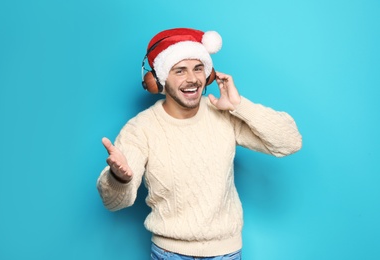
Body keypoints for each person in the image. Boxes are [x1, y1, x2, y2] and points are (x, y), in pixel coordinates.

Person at [96, 28, 302, 259]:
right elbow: (113, 202)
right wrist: (119, 178)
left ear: (209, 75)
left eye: (198, 68)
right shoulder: (140, 129)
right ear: (160, 80)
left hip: (227, 253)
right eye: (180, 71)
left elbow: (290, 142)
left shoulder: (222, 112)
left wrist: (239, 104)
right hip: (169, 254)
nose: (192, 79)